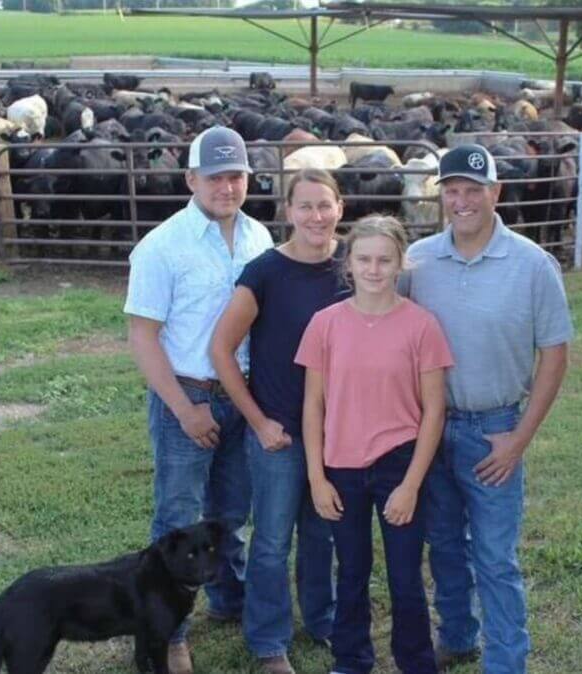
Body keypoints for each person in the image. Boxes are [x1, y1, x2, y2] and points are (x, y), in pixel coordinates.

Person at [399, 145, 573, 674]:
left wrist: (519, 438)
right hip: (432, 426)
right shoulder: (420, 260)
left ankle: (506, 663)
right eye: (452, 190)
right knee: (445, 544)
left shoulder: (532, 265)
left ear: (495, 193)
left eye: (474, 190)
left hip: (495, 427)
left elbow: (555, 353)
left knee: (495, 558)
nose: (462, 200)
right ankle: (458, 635)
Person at [123, 126, 274, 674]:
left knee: (232, 512)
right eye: (215, 177)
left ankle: (228, 601)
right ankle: (170, 633)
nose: (226, 187)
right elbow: (142, 335)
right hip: (187, 391)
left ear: (248, 179)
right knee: (179, 518)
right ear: (191, 179)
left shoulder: (261, 239)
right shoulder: (163, 246)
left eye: (235, 176)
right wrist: (184, 409)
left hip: (243, 393)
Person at [296, 215, 453, 674]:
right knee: (352, 571)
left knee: (405, 577)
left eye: (385, 260)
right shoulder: (324, 325)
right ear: (349, 263)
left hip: (399, 464)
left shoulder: (421, 326)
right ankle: (352, 660)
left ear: (401, 263)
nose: (374, 268)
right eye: (364, 258)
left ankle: (416, 663)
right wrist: (316, 477)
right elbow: (313, 408)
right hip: (341, 465)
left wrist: (410, 485)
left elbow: (434, 413)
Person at [209, 169, 348, 674]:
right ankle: (269, 641)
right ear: (288, 211)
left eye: (324, 205)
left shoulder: (355, 267)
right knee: (270, 540)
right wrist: (258, 421)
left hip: (336, 433)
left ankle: (322, 617)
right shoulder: (265, 271)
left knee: (323, 532)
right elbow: (222, 350)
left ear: (341, 208)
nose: (316, 216)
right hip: (281, 432)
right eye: (305, 206)